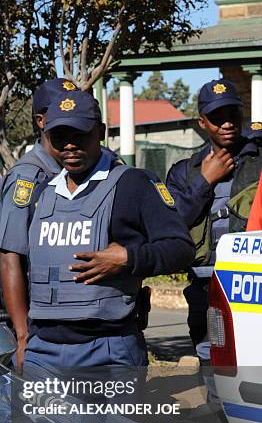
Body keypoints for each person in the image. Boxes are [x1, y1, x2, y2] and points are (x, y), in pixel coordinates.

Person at [19, 91, 195, 372]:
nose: (69, 145)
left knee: (114, 420)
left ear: (100, 132)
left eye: (79, 134)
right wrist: (23, 339)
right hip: (43, 351)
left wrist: (128, 258)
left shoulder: (133, 184)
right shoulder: (41, 192)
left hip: (109, 349)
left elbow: (181, 248)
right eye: (59, 136)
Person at [166, 79, 262, 362]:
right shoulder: (185, 172)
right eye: (217, 117)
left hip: (253, 283)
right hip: (205, 287)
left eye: (232, 114)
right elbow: (170, 224)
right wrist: (204, 182)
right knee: (212, 363)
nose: (227, 123)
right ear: (202, 122)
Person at [0, 78, 78, 367]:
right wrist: (22, 336)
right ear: (42, 121)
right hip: (41, 319)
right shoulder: (29, 177)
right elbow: (10, 257)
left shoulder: (79, 169)